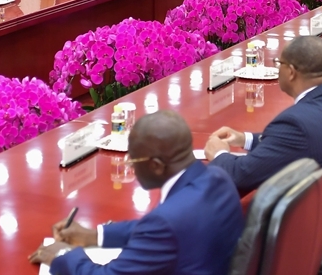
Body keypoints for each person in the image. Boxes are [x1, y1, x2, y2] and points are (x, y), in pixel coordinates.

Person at [204, 36, 322, 252]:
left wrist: (220, 154)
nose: (278, 69)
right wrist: (245, 139)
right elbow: (304, 139)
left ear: (291, 72)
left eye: (279, 64)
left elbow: (242, 174)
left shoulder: (296, 122)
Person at [29, 110, 244, 275]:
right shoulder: (219, 178)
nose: (130, 166)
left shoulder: (166, 222)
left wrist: (62, 255)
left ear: (156, 165)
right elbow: (155, 231)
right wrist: (95, 235)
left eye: (133, 160)